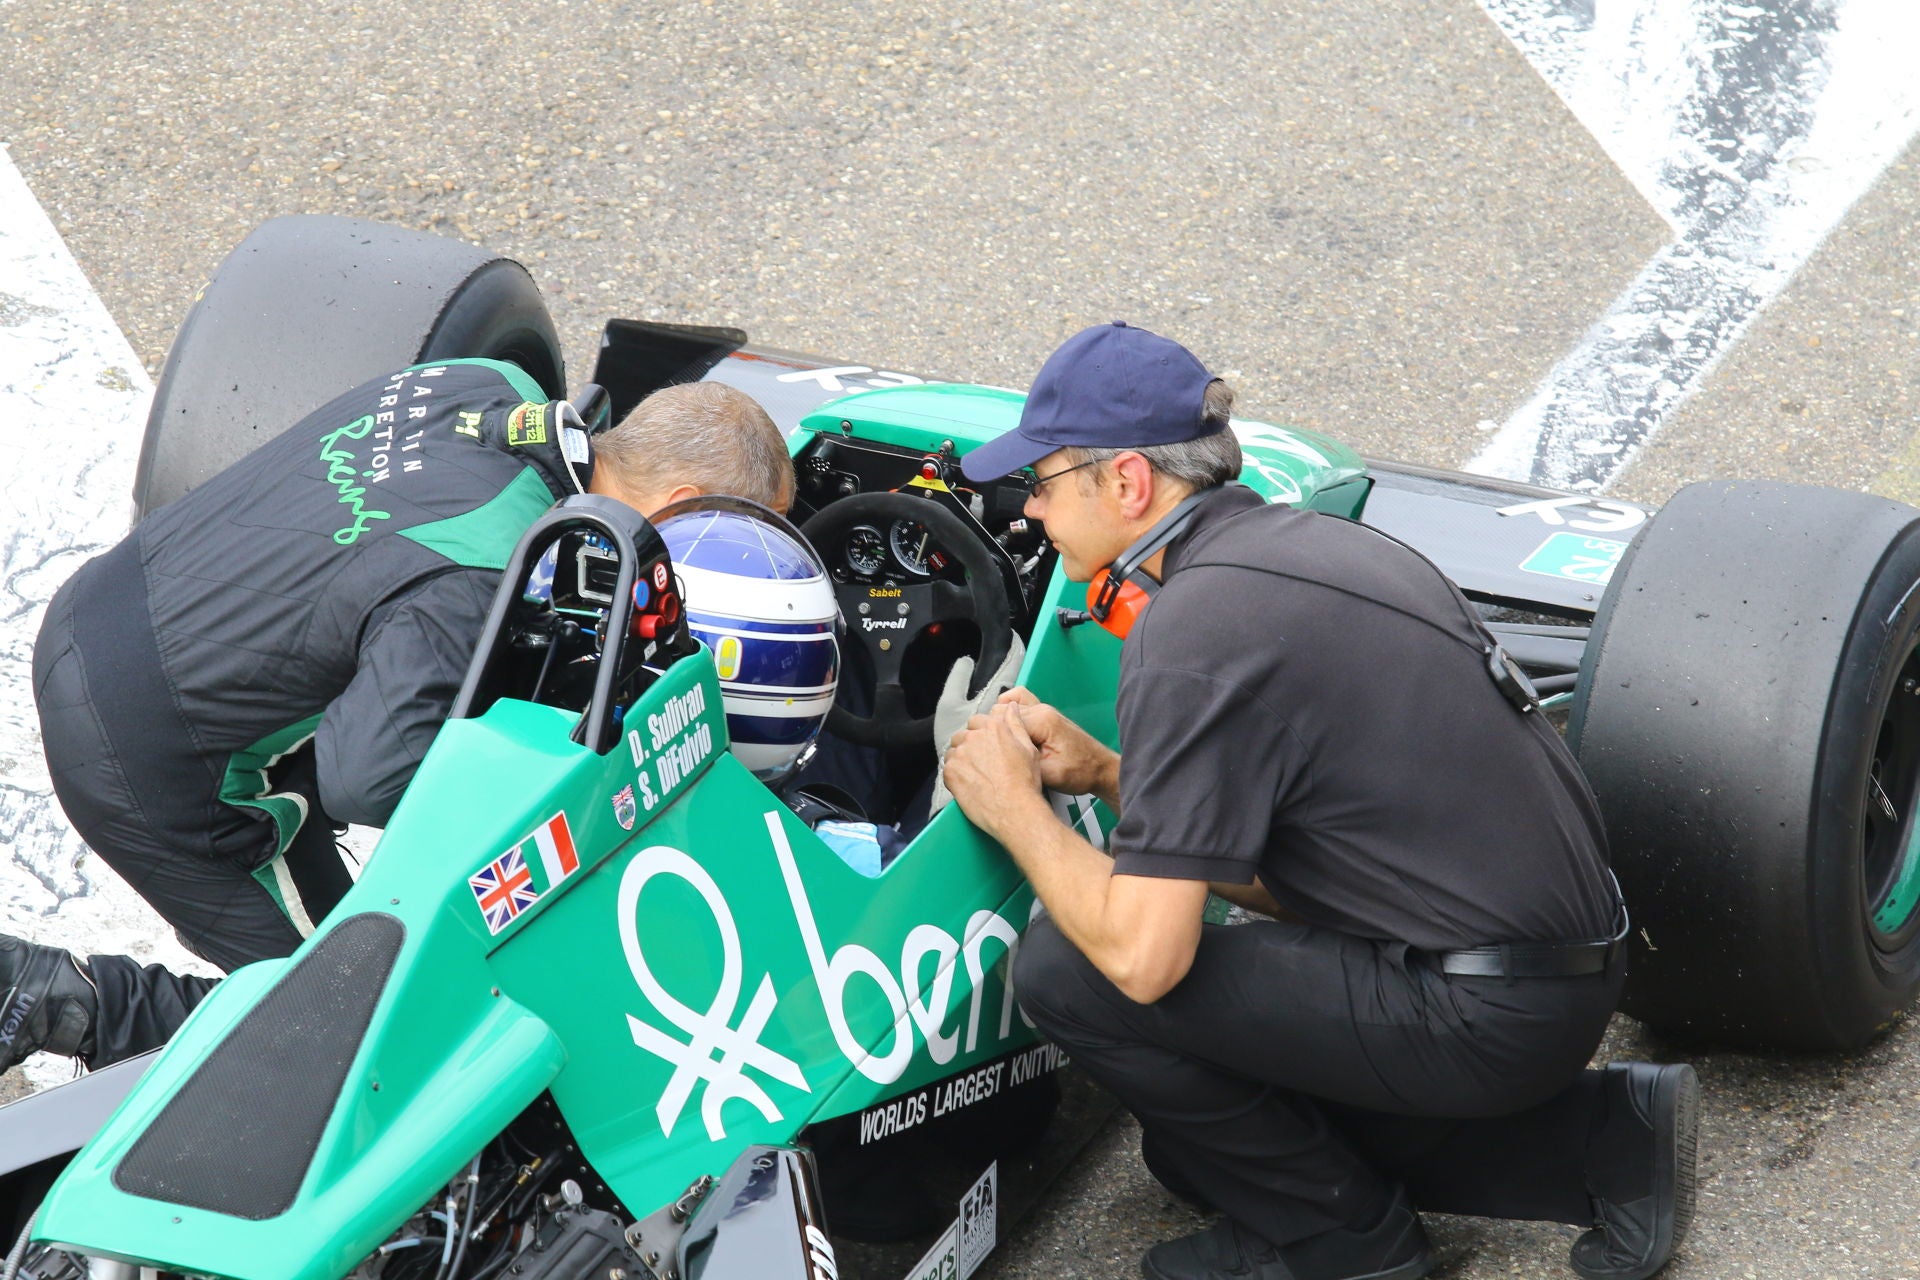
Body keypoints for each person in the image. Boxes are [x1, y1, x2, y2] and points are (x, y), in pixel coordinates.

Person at [941, 322, 1699, 1280]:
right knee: (1190, 1155)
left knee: (1068, 969)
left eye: (1042, 481)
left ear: (1127, 482)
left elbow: (1142, 958)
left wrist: (1013, 809)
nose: (1031, 509)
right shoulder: (1308, 551)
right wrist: (1105, 774)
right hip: (1556, 966)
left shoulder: (1194, 632)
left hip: (1486, 1009)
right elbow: (1312, 855)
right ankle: (1602, 1142)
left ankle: (1350, 1246)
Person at [1, 362, 792, 1075]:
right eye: (737, 534)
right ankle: (53, 997)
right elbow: (367, 778)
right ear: (681, 505)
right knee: (354, 1032)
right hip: (148, 750)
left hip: (108, 600)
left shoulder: (488, 381)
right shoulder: (479, 570)